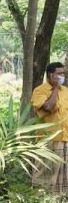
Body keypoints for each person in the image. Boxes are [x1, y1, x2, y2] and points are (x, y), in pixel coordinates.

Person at [31, 62, 68, 193]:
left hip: (64, 137)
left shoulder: (66, 92)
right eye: (59, 73)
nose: (62, 76)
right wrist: (56, 89)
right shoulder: (40, 90)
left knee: (62, 172)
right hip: (47, 138)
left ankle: (58, 200)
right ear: (50, 75)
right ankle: (39, 198)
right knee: (44, 171)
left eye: (63, 73)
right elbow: (48, 107)